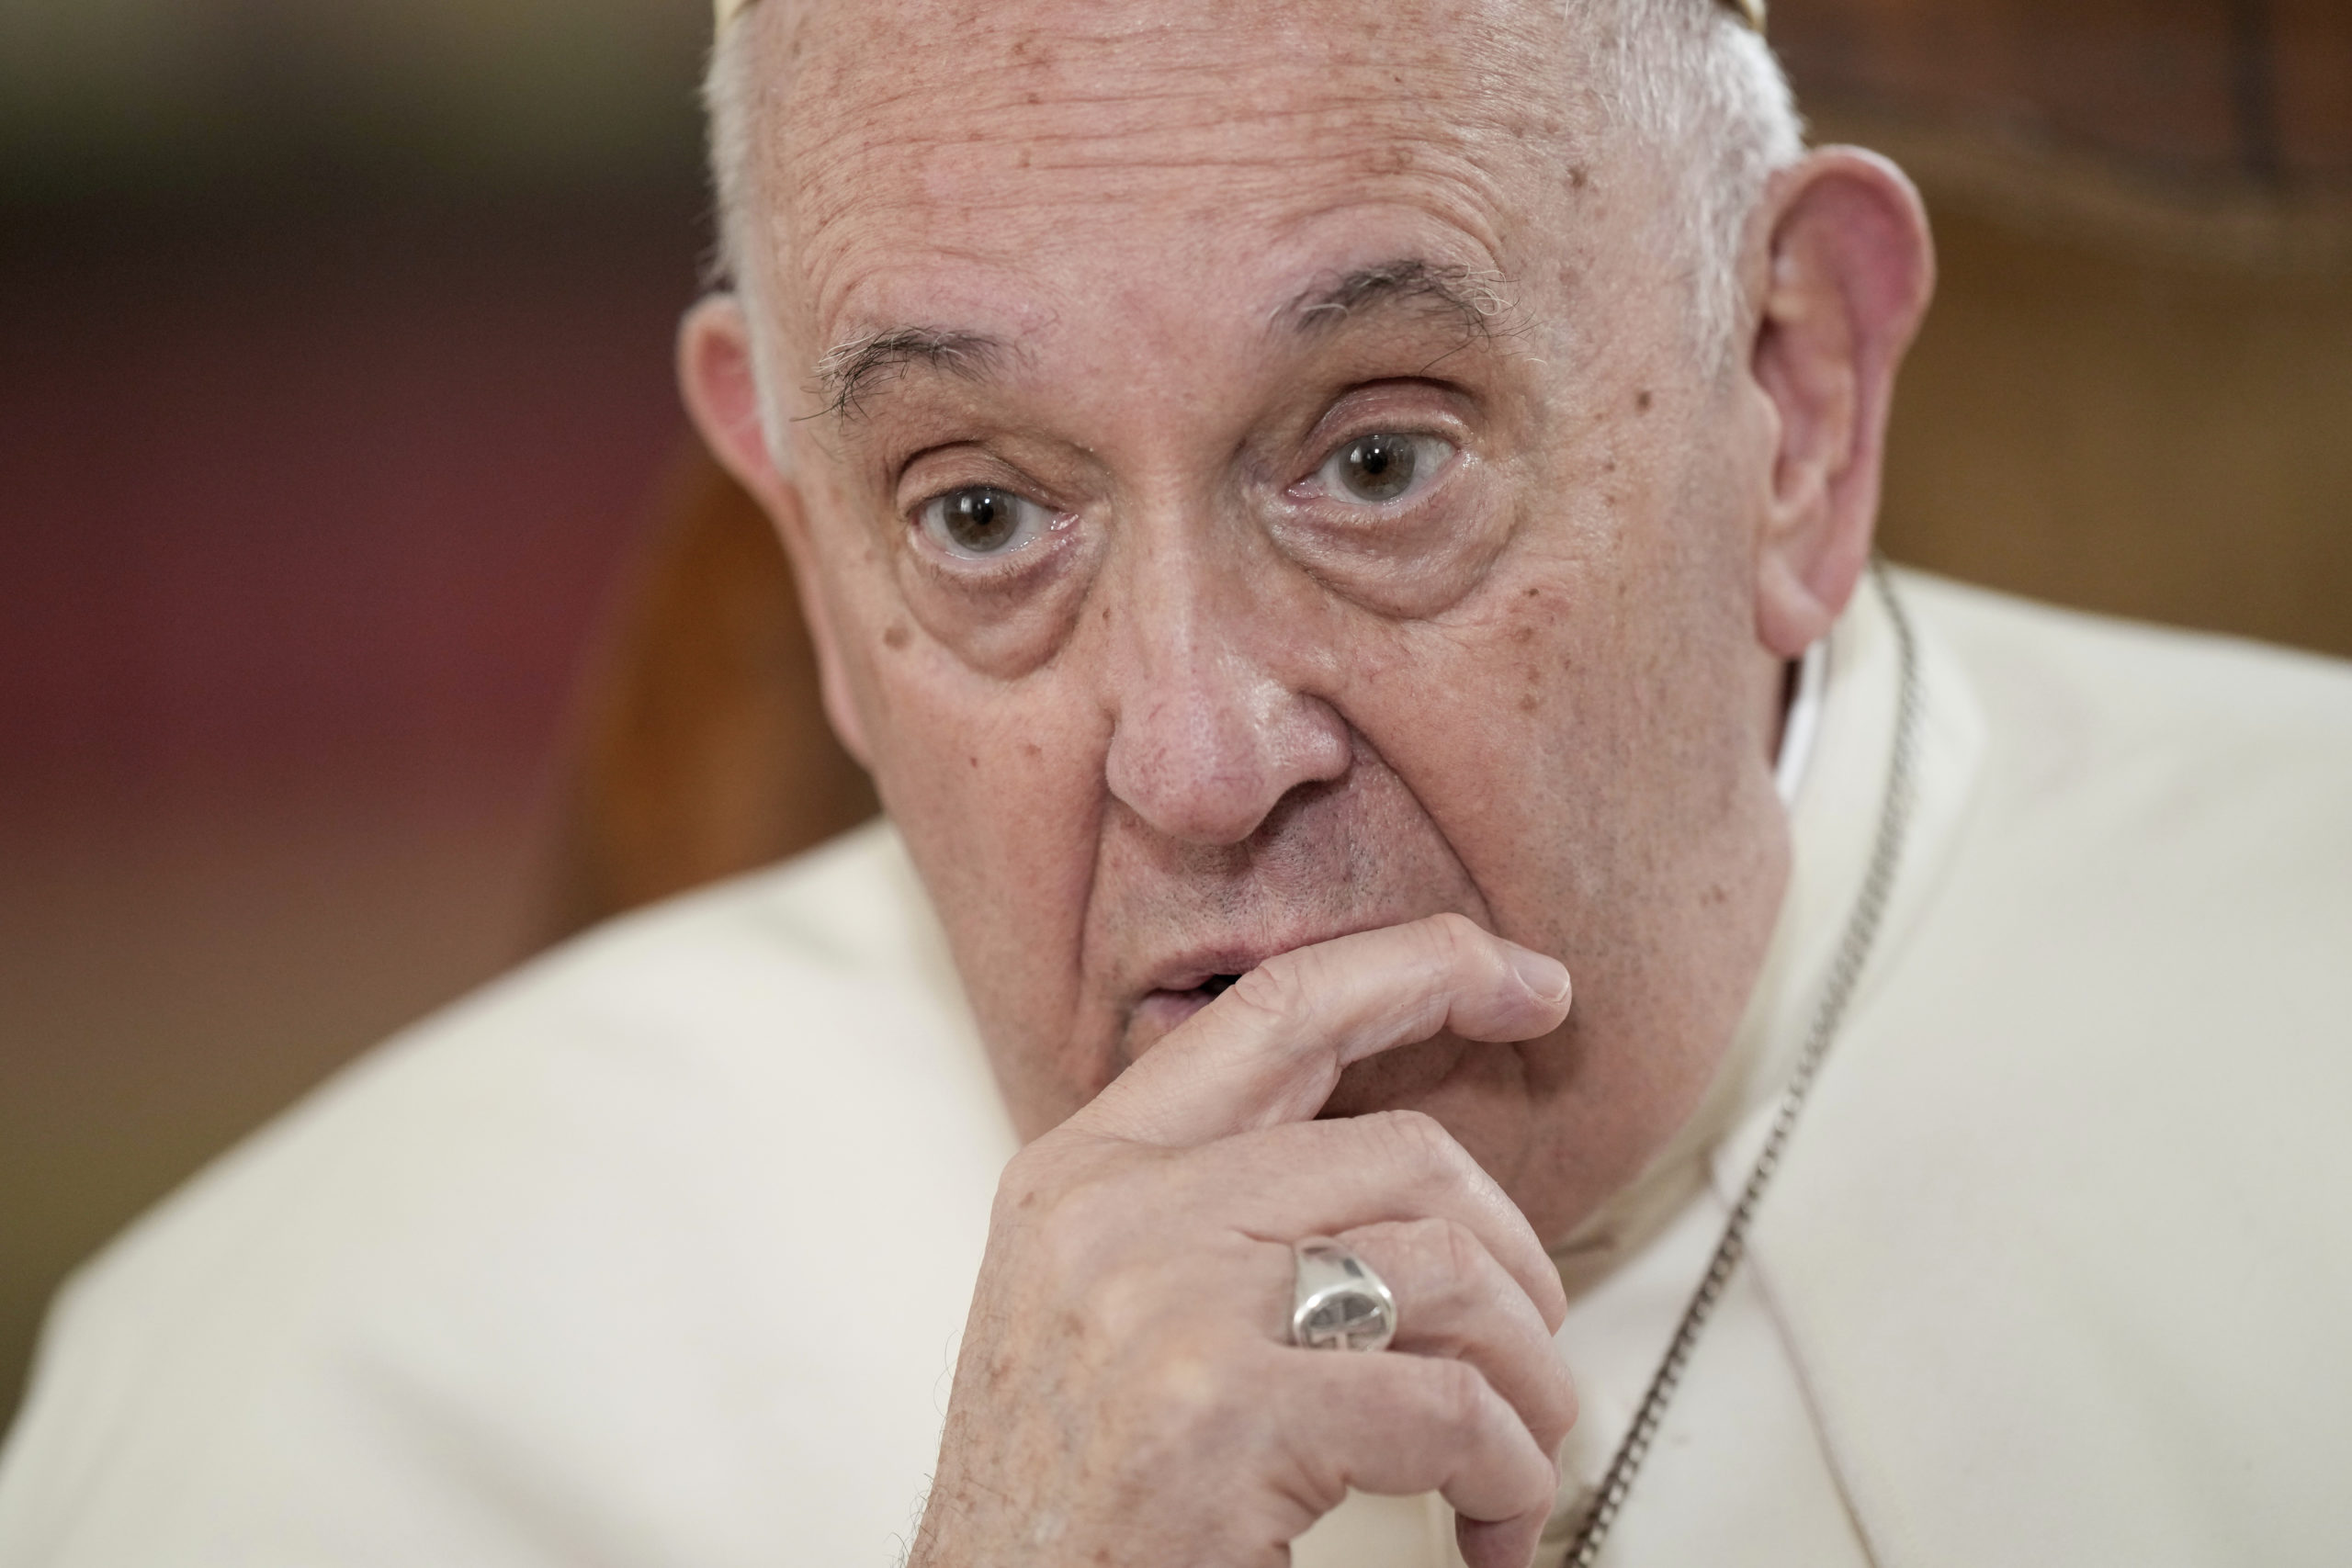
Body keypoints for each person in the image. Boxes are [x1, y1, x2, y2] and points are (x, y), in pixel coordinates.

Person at [4, 0, 2349, 1562]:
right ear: (802, 537)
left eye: (1374, 455)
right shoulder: (303, 1388)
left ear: (1795, 388)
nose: (1203, 758)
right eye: (982, 513)